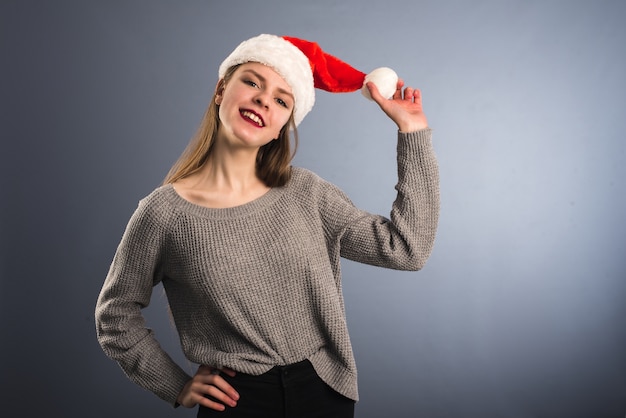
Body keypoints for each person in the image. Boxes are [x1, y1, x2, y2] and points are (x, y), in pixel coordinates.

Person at [95, 33, 440, 418]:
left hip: (324, 392)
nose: (263, 99)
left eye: (281, 99)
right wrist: (176, 385)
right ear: (221, 90)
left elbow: (407, 249)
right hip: (236, 401)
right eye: (252, 82)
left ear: (281, 127)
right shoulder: (164, 214)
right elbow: (115, 314)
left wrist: (412, 133)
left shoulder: (306, 194)